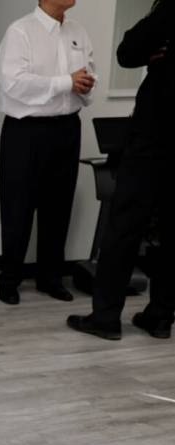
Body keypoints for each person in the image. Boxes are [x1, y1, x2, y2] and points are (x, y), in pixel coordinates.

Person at [68, 0, 175, 340]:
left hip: (155, 135)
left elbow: (128, 52)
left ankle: (106, 317)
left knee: (125, 224)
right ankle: (160, 317)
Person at [0, 0, 95, 305]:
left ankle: (50, 278)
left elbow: (90, 75)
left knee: (58, 206)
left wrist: (85, 84)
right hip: (26, 132)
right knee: (18, 208)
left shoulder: (78, 32)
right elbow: (13, 82)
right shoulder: (20, 31)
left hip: (67, 128)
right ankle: (9, 280)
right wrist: (67, 82)